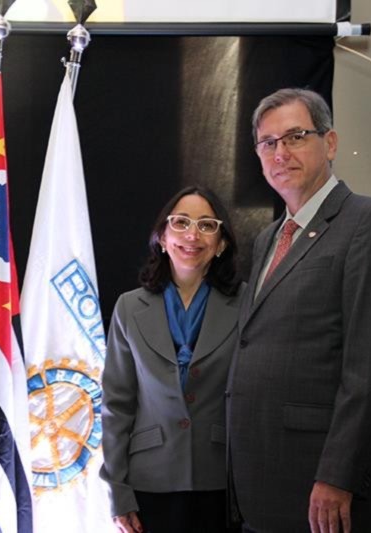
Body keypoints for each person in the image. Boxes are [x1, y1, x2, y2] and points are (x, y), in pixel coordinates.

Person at [227, 88, 371, 533]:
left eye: (295, 136)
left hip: (324, 488)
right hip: (262, 482)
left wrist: (338, 475)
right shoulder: (268, 238)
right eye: (268, 142)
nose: (280, 152)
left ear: (329, 143)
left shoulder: (370, 222)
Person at [101, 185, 244, 533]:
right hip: (149, 480)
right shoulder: (129, 307)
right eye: (181, 222)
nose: (192, 235)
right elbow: (117, 405)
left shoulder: (247, 303)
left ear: (221, 244)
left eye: (207, 225)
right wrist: (117, 491)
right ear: (162, 238)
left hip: (223, 479)